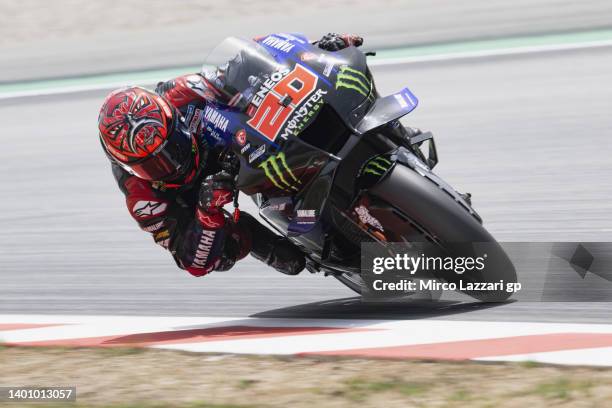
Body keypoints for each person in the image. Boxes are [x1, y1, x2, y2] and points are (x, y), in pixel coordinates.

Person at [97, 33, 363, 277]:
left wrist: (316, 49)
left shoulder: (183, 93)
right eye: (154, 164)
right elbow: (191, 261)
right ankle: (266, 234)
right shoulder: (142, 197)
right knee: (239, 255)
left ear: (174, 118)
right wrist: (207, 212)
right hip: (199, 195)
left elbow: (250, 58)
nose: (171, 162)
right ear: (129, 167)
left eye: (171, 145)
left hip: (235, 144)